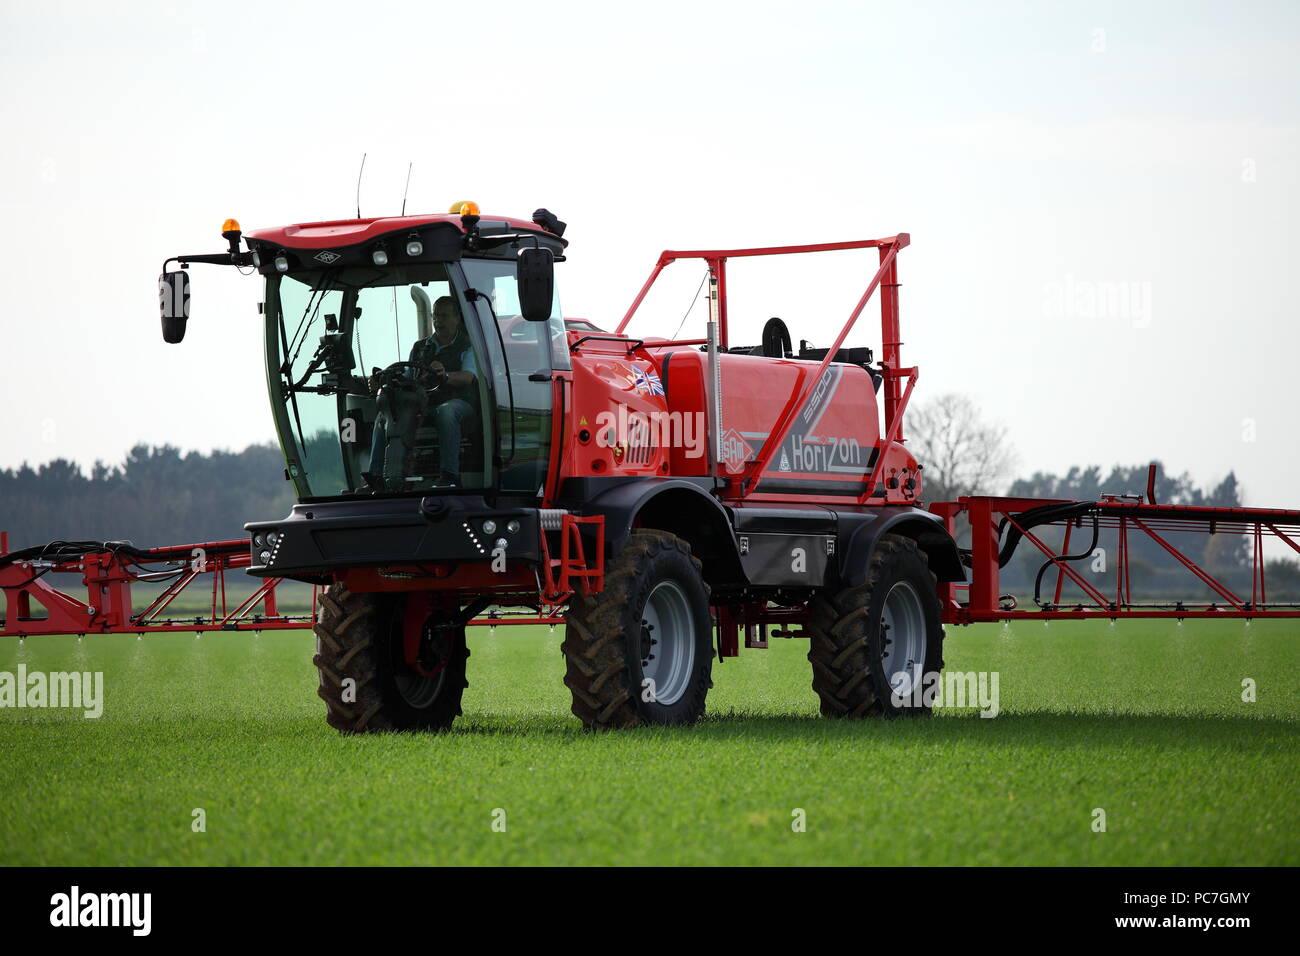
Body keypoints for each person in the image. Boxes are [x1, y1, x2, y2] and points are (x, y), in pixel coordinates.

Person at [364, 295, 479, 489]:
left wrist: (445, 375)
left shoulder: (469, 346)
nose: (438, 321)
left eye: (444, 316)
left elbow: (468, 377)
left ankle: (450, 476)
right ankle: (375, 478)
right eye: (435, 316)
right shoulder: (419, 348)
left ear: (457, 318)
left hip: (461, 404)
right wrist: (382, 381)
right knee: (386, 414)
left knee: (446, 412)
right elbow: (409, 377)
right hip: (424, 404)